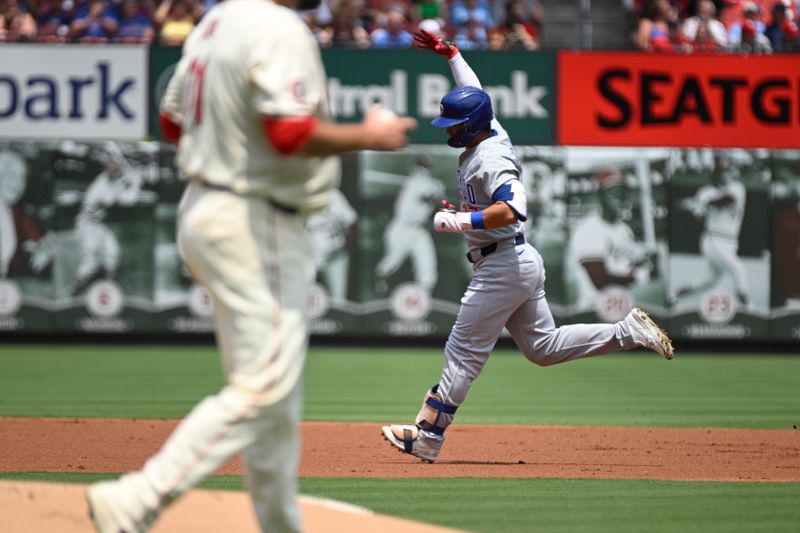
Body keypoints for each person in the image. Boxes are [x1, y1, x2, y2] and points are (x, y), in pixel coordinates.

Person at [85, 0, 416, 531]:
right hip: (254, 219)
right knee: (265, 385)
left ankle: (280, 525)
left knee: (274, 400)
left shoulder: (216, 23)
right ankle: (136, 499)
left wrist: (222, 152)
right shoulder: (276, 28)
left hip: (208, 208)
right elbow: (288, 135)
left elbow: (171, 122)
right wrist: (368, 137)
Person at [381, 29, 674, 464]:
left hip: (502, 264)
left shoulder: (491, 158)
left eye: (455, 124)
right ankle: (626, 332)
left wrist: (462, 219)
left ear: (473, 125)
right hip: (514, 260)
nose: (449, 130)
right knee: (543, 348)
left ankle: (427, 435)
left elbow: (515, 208)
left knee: (463, 351)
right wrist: (453, 54)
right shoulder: (489, 130)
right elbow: (477, 93)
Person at [567, 167, 658, 315]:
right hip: (593, 312)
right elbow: (600, 280)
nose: (620, 198)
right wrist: (642, 275)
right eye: (614, 193)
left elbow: (623, 265)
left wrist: (645, 260)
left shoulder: (624, 229)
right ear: (600, 196)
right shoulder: (589, 229)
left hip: (622, 309)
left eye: (623, 193)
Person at [674, 151, 749, 306]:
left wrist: (701, 204)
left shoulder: (737, 187)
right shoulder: (704, 193)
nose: (726, 175)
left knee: (710, 280)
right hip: (714, 238)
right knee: (739, 269)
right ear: (714, 173)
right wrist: (699, 210)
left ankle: (675, 294)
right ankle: (748, 307)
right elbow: (700, 221)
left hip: (731, 241)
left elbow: (725, 200)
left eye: (728, 170)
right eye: (721, 172)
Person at [70, 142, 141, 296]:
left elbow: (129, 189)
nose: (110, 167)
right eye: (108, 165)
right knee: (91, 260)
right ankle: (77, 285)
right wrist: (126, 185)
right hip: (87, 224)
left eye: (113, 165)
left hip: (100, 224)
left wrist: (127, 176)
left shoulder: (117, 175)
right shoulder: (101, 184)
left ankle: (110, 287)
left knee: (113, 253)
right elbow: (115, 201)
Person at [374, 155, 445, 294]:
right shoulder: (415, 182)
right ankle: (380, 280)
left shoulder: (427, 182)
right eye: (421, 166)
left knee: (427, 261)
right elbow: (428, 197)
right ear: (416, 168)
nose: (423, 169)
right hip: (402, 228)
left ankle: (424, 291)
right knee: (393, 261)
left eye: (425, 167)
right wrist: (438, 189)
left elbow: (435, 202)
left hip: (418, 230)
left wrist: (438, 190)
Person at [305, 187, 358, 302]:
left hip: (336, 257)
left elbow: (352, 220)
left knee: (339, 301)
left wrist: (347, 248)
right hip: (309, 259)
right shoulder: (295, 194)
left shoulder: (332, 194)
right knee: (303, 300)